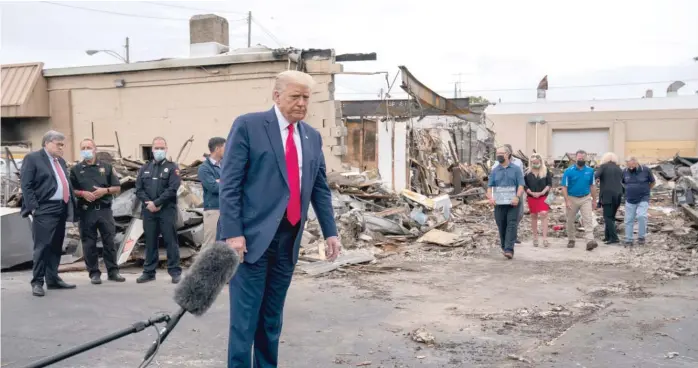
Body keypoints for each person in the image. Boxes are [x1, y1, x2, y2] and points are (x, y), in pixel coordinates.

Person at [220, 70, 341, 367]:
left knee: (271, 318)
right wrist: (233, 233)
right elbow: (230, 183)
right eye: (295, 96)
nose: (302, 103)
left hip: (288, 239)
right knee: (245, 319)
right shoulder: (249, 126)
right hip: (251, 240)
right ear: (277, 96)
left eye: (306, 97)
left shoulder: (311, 137)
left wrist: (331, 232)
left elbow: (319, 188)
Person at [20, 130, 77, 297]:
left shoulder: (60, 162)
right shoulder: (33, 159)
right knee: (42, 246)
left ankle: (52, 279)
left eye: (63, 145)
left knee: (56, 245)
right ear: (47, 143)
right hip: (44, 208)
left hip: (61, 207)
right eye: (59, 144)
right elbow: (26, 185)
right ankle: (37, 281)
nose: (62, 148)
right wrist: (34, 207)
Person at [69, 138, 126, 284]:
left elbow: (117, 187)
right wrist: (82, 194)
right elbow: (71, 190)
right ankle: (94, 273)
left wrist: (104, 191)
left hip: (104, 211)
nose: (87, 150)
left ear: (95, 149)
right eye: (84, 148)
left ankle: (113, 272)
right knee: (89, 244)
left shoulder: (106, 167)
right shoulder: (76, 170)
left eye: (89, 147)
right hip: (86, 211)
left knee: (109, 242)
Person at [135, 137, 182, 284]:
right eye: (157, 148)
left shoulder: (173, 168)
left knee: (170, 241)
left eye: (162, 148)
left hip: (166, 210)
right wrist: (149, 203)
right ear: (152, 149)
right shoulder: (145, 168)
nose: (159, 150)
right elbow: (139, 189)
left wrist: (158, 202)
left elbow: (173, 188)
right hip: (149, 211)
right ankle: (149, 272)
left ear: (166, 149)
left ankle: (174, 271)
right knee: (150, 242)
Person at [487, 145, 524, 259]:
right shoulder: (494, 170)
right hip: (499, 203)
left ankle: (509, 249)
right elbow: (489, 187)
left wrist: (517, 197)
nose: (498, 156)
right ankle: (504, 246)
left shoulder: (516, 169)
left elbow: (521, 185)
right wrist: (490, 197)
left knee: (511, 224)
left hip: (513, 203)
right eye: (497, 153)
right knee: (501, 224)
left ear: (507, 155)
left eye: (501, 153)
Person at [561, 150, 598, 251]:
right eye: (579, 158)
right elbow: (564, 187)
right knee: (570, 220)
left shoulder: (590, 171)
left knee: (588, 219)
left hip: (586, 198)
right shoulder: (568, 171)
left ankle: (590, 241)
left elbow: (592, 186)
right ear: (575, 158)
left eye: (583, 158)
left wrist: (594, 200)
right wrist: (567, 200)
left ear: (586, 159)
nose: (581, 160)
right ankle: (571, 239)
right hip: (572, 198)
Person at [198, 137, 226, 247]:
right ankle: (203, 264)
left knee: (223, 243)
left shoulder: (224, 165)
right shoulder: (204, 168)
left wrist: (221, 181)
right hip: (213, 209)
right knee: (210, 243)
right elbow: (214, 187)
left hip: (225, 208)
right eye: (225, 147)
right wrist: (225, 182)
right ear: (218, 149)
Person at [622, 156, 655, 246]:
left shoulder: (646, 170)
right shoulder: (624, 171)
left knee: (641, 216)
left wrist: (646, 191)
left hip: (643, 198)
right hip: (630, 199)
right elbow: (623, 183)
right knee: (629, 219)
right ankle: (629, 239)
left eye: (632, 166)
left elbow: (652, 182)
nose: (630, 168)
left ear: (636, 163)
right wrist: (629, 189)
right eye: (628, 166)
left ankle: (641, 237)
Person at [523, 153, 553, 247]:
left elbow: (549, 184)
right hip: (531, 196)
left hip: (543, 195)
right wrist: (531, 193)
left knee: (544, 213)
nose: (535, 164)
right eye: (533, 163)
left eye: (537, 162)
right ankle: (535, 237)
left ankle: (544, 238)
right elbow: (524, 185)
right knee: (533, 215)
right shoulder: (527, 172)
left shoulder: (546, 170)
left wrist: (541, 193)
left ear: (540, 161)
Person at [595, 152, 623, 245]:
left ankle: (614, 238)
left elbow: (595, 176)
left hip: (607, 194)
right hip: (618, 194)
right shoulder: (619, 168)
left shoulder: (603, 167)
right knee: (611, 216)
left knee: (607, 216)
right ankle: (607, 236)